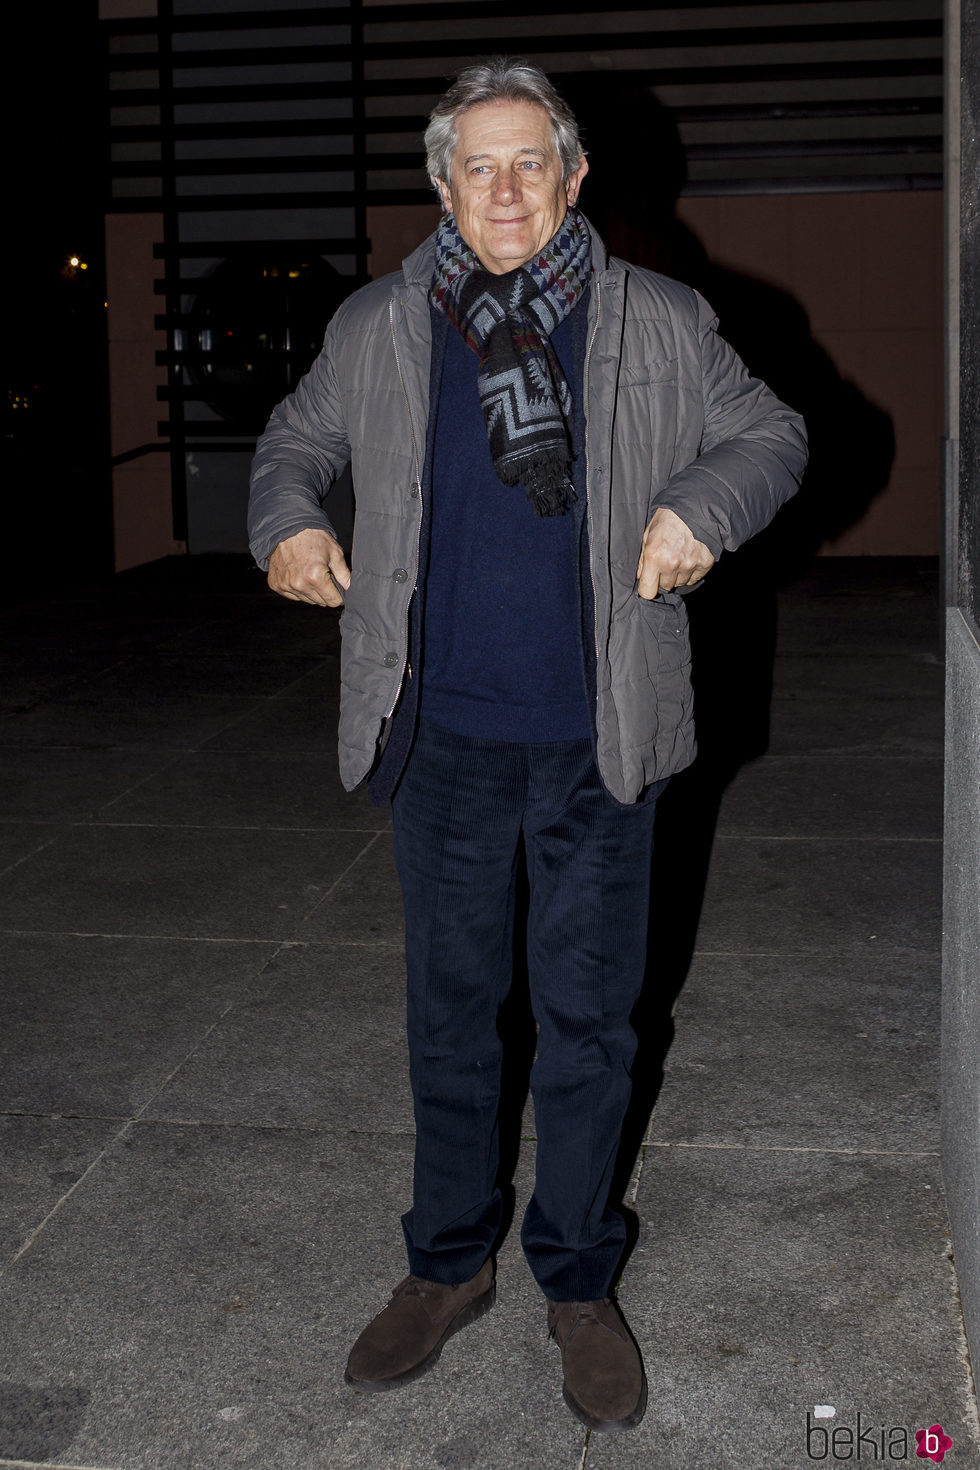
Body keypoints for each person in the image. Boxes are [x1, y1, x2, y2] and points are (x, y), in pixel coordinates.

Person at [248, 57, 807, 1434]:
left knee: (587, 1020)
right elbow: (294, 442)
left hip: (596, 737)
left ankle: (573, 1277)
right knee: (449, 1012)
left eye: (528, 162)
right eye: (475, 166)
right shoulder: (380, 324)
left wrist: (700, 511)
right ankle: (447, 1263)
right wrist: (290, 523)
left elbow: (771, 432)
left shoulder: (660, 320)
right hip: (439, 730)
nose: (503, 190)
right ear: (443, 185)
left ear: (573, 177)